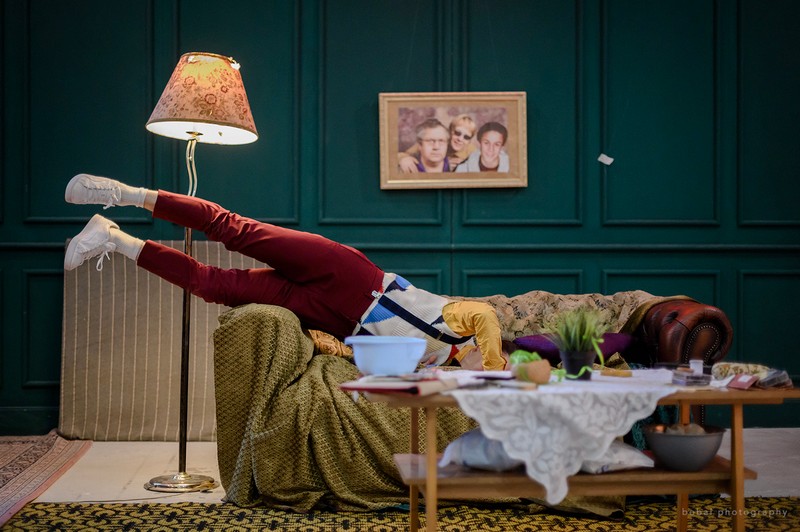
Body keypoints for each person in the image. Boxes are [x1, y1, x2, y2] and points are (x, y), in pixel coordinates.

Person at [63, 174, 507, 371]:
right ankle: (121, 193)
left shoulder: (439, 369)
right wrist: (494, 369)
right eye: (494, 362)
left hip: (333, 316)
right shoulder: (462, 324)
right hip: (353, 278)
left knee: (214, 286)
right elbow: (487, 314)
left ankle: (113, 238)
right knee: (233, 230)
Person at [398, 114, 477, 173]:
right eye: (457, 133)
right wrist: (403, 159)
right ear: (450, 132)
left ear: (469, 141)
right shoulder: (436, 139)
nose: (460, 139)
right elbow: (403, 154)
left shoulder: (472, 151)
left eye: (466, 137)